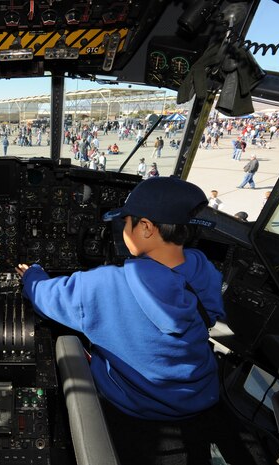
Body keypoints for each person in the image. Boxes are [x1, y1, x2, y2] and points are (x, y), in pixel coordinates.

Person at [15, 177, 227, 464]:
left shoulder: (104, 285)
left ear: (147, 228)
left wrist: (32, 274)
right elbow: (211, 315)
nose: (122, 229)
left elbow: (45, 297)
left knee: (71, 344)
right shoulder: (203, 267)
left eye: (126, 222)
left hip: (133, 406)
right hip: (198, 395)